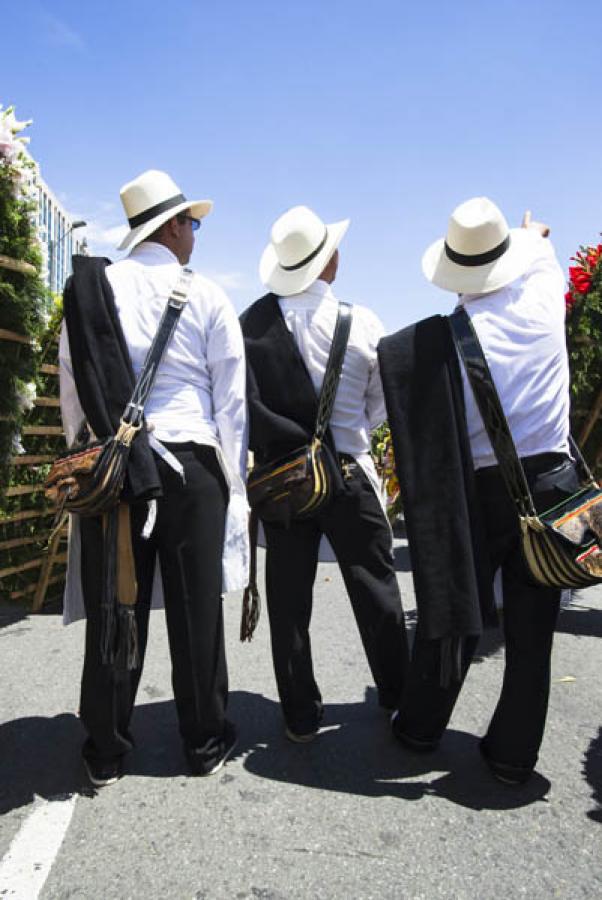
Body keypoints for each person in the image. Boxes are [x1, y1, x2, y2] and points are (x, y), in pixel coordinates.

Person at [378, 196, 580, 784]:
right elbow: (539, 241)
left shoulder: (440, 344)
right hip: (553, 488)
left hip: (479, 491)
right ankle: (515, 756)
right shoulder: (545, 299)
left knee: (455, 611)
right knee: (534, 631)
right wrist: (529, 234)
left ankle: (419, 727)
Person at [59, 169, 248, 786]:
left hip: (117, 467)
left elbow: (73, 382)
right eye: (191, 223)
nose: (195, 233)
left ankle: (107, 747)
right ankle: (203, 740)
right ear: (170, 225)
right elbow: (231, 402)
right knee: (197, 613)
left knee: (119, 606)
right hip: (192, 464)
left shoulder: (93, 291)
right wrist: (234, 484)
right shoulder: (210, 295)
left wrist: (90, 456)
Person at [240, 205, 409, 742]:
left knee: (289, 599)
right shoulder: (362, 322)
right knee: (376, 587)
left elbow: (241, 404)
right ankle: (398, 697)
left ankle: (299, 713)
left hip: (284, 480)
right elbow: (382, 403)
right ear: (326, 261)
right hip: (349, 470)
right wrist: (347, 430)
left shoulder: (252, 325)